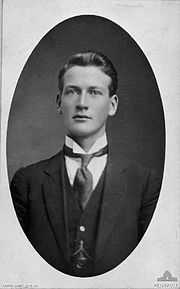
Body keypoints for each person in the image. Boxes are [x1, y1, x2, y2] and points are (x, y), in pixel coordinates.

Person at [10, 51, 161, 277]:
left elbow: (152, 266)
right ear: (59, 102)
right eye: (73, 91)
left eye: (94, 92)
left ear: (112, 105)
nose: (82, 103)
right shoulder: (27, 182)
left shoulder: (145, 184)